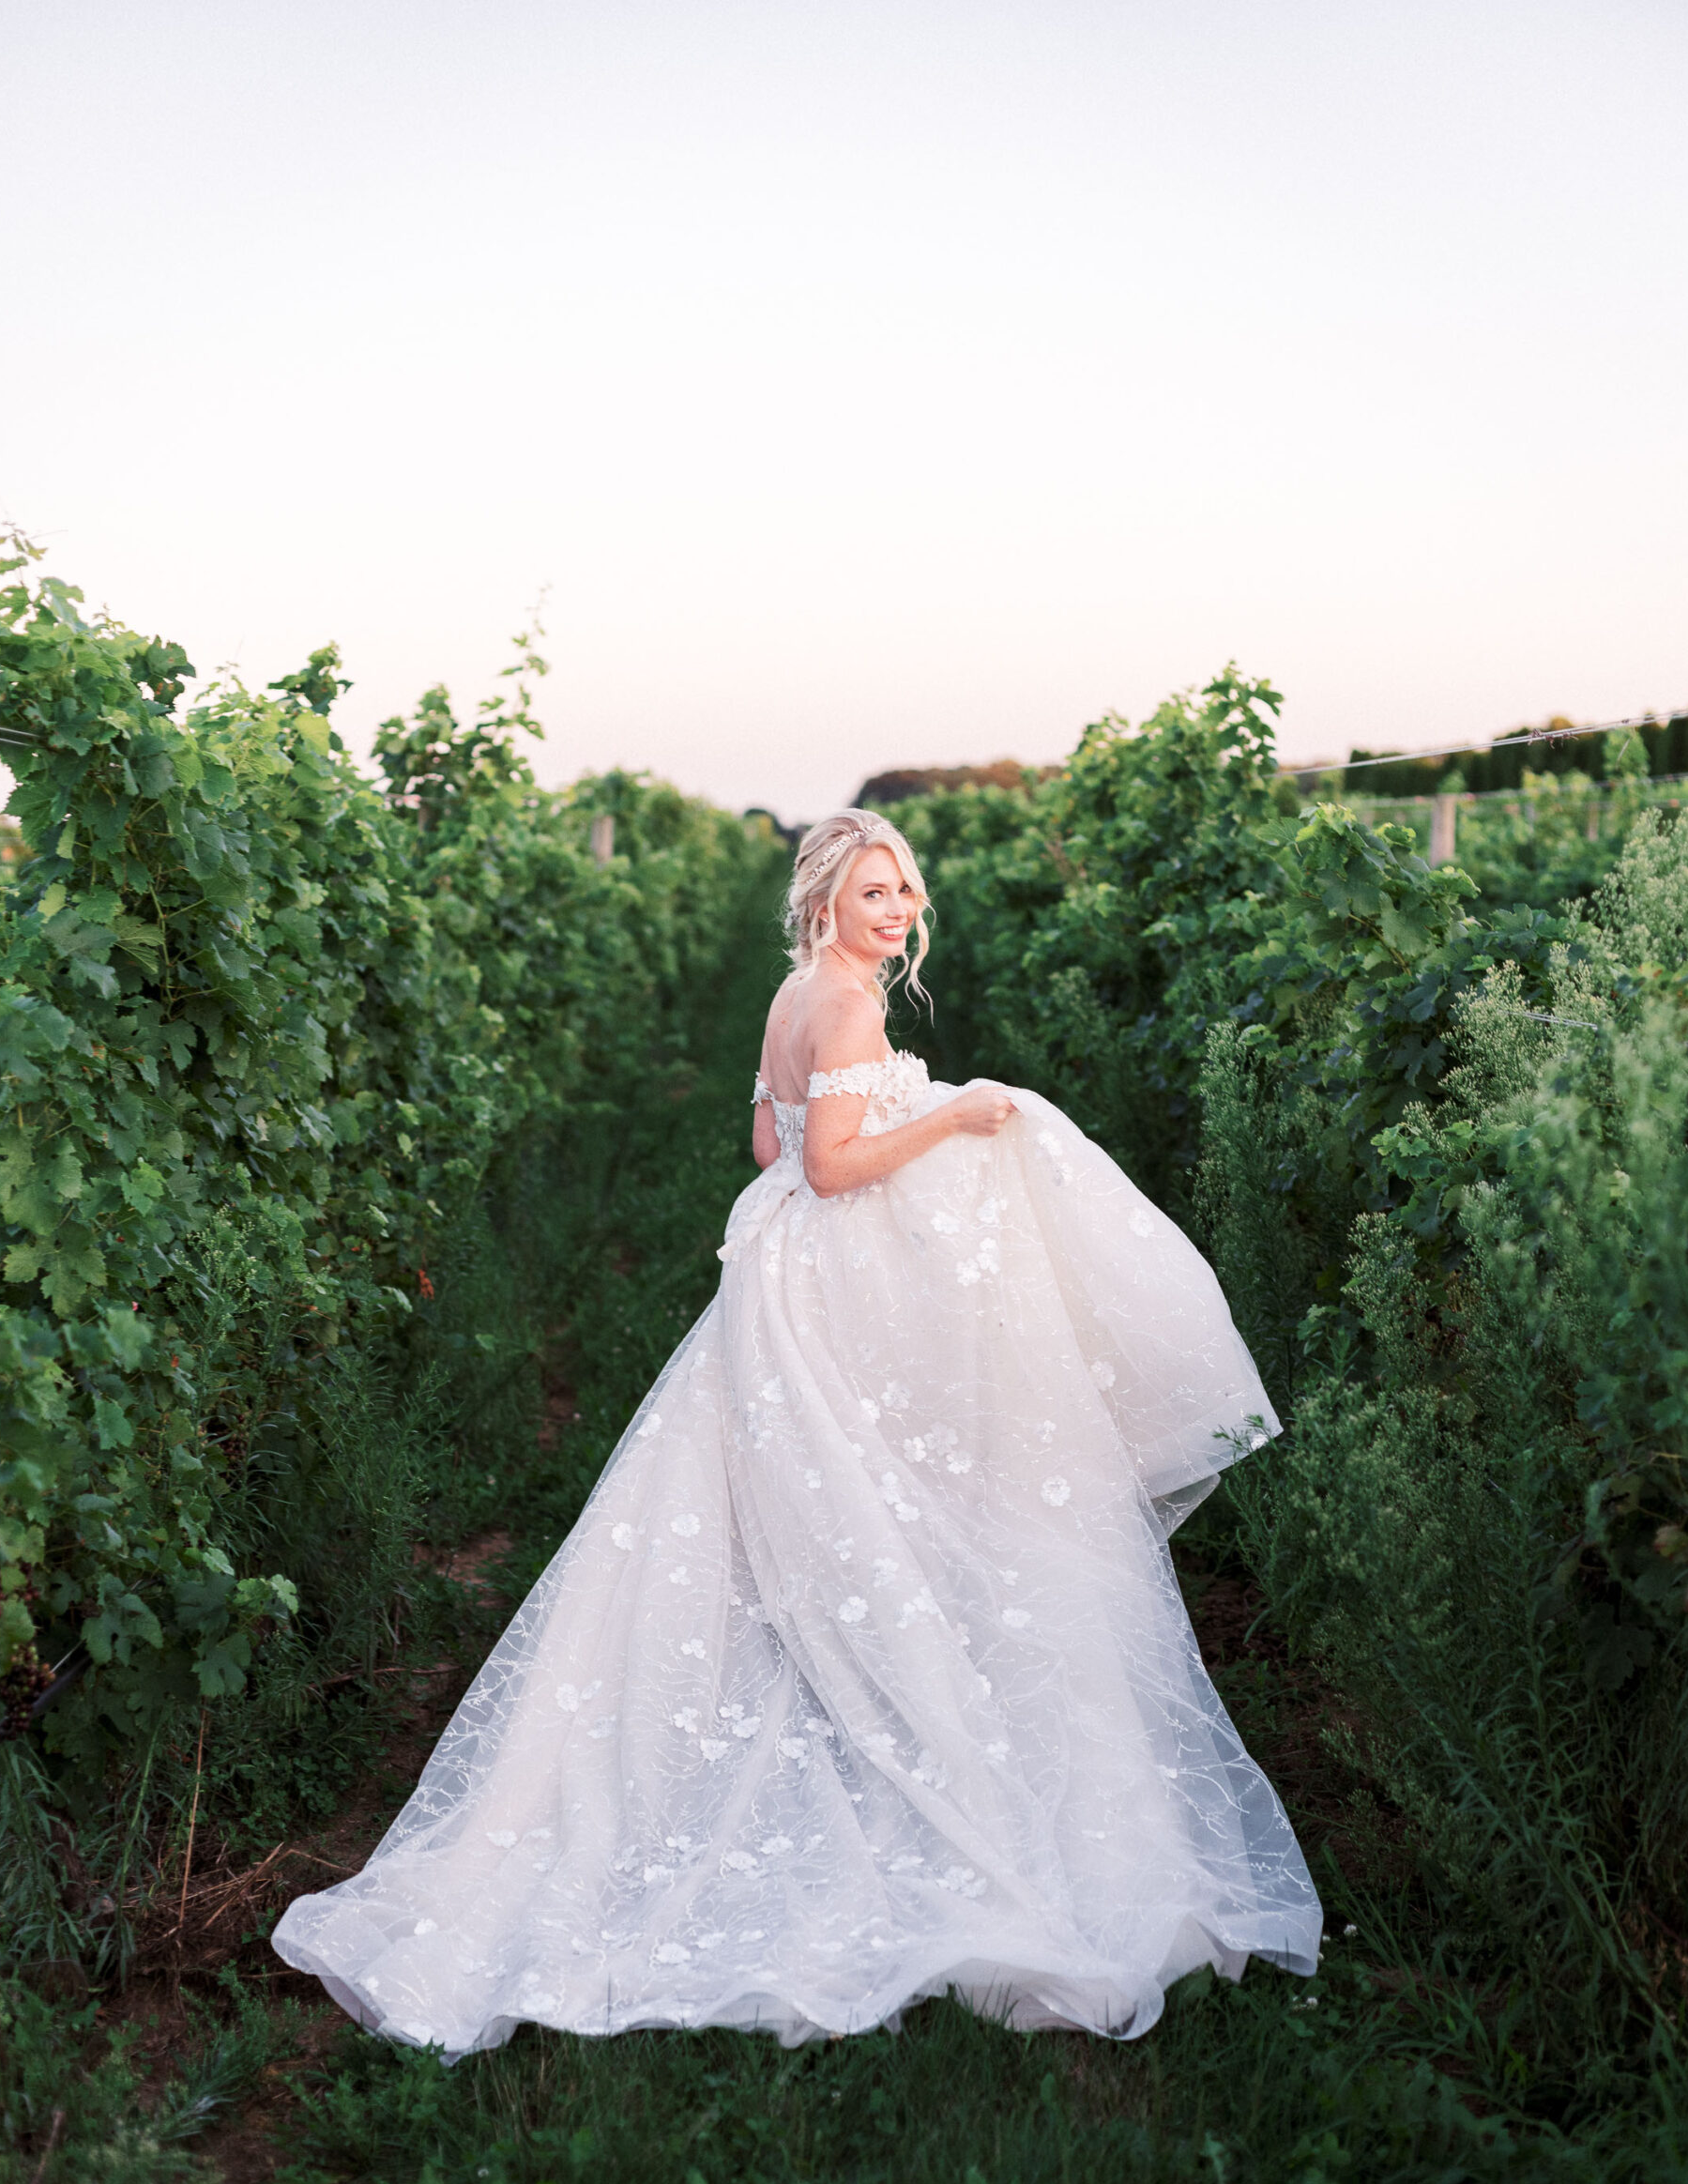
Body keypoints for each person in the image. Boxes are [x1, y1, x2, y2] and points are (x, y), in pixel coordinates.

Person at [273, 809, 1320, 2052]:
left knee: (771, 1507)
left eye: (906, 893)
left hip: (778, 1274)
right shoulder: (853, 1006)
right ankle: (882, 1720)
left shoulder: (792, 997)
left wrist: (884, 1113)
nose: (898, 913)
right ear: (829, 901)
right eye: (876, 894)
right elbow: (826, 1165)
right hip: (831, 1272)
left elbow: (765, 1139)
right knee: (879, 1494)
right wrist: (954, 1116)